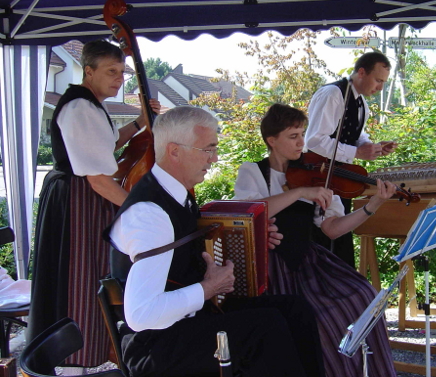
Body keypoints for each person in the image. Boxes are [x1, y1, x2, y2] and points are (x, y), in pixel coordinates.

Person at [105, 106, 326, 377]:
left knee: (294, 309)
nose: (215, 158)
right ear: (174, 151)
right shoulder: (150, 215)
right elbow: (141, 315)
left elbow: (187, 254)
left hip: (187, 321)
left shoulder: (175, 195)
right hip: (156, 345)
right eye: (207, 149)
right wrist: (208, 288)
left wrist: (253, 239)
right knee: (266, 327)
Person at [233, 104, 398, 377]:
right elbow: (250, 211)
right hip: (271, 266)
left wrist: (373, 205)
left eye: (302, 134)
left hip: (308, 261)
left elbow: (333, 229)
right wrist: (302, 191)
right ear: (271, 141)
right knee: (319, 318)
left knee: (362, 297)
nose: (302, 142)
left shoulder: (317, 174)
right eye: (293, 136)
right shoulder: (254, 172)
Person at [28, 39, 160, 374]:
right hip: (78, 199)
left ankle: (92, 356)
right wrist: (144, 207)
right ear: (88, 72)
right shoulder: (81, 108)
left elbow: (106, 146)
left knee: (90, 275)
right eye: (111, 71)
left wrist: (139, 124)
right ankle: (76, 362)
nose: (119, 78)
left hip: (80, 196)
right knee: (80, 276)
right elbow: (100, 179)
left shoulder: (91, 105)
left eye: (122, 72)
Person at [304, 51, 397, 268]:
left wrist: (372, 147)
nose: (380, 87)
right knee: (323, 242)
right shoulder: (332, 94)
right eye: (378, 80)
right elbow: (315, 141)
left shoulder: (361, 103)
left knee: (341, 240)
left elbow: (355, 137)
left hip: (339, 180)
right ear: (361, 72)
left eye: (384, 82)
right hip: (317, 179)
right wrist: (357, 153)